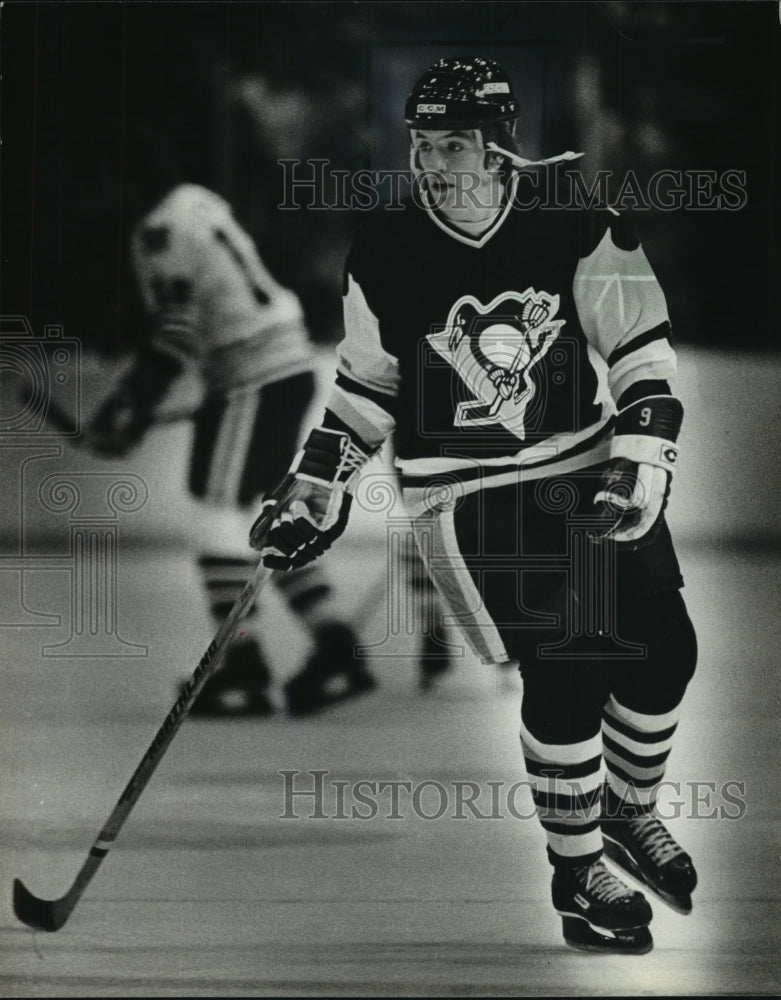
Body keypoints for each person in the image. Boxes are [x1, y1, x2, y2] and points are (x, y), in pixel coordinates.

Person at [249, 56, 699, 953]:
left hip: (585, 465)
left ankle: (624, 811)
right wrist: (318, 480)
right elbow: (364, 387)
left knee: (665, 655)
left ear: (499, 148)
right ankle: (576, 871)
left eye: (451, 143)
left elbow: (642, 352)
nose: (430, 161)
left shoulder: (576, 222)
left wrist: (643, 457)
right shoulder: (384, 247)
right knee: (569, 665)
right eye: (421, 142)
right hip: (465, 493)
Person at [83, 133, 377, 717]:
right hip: (279, 368)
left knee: (215, 511)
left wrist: (129, 409)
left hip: (252, 375)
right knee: (263, 517)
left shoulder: (160, 231)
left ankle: (241, 665)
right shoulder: (198, 204)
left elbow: (175, 335)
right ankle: (335, 643)